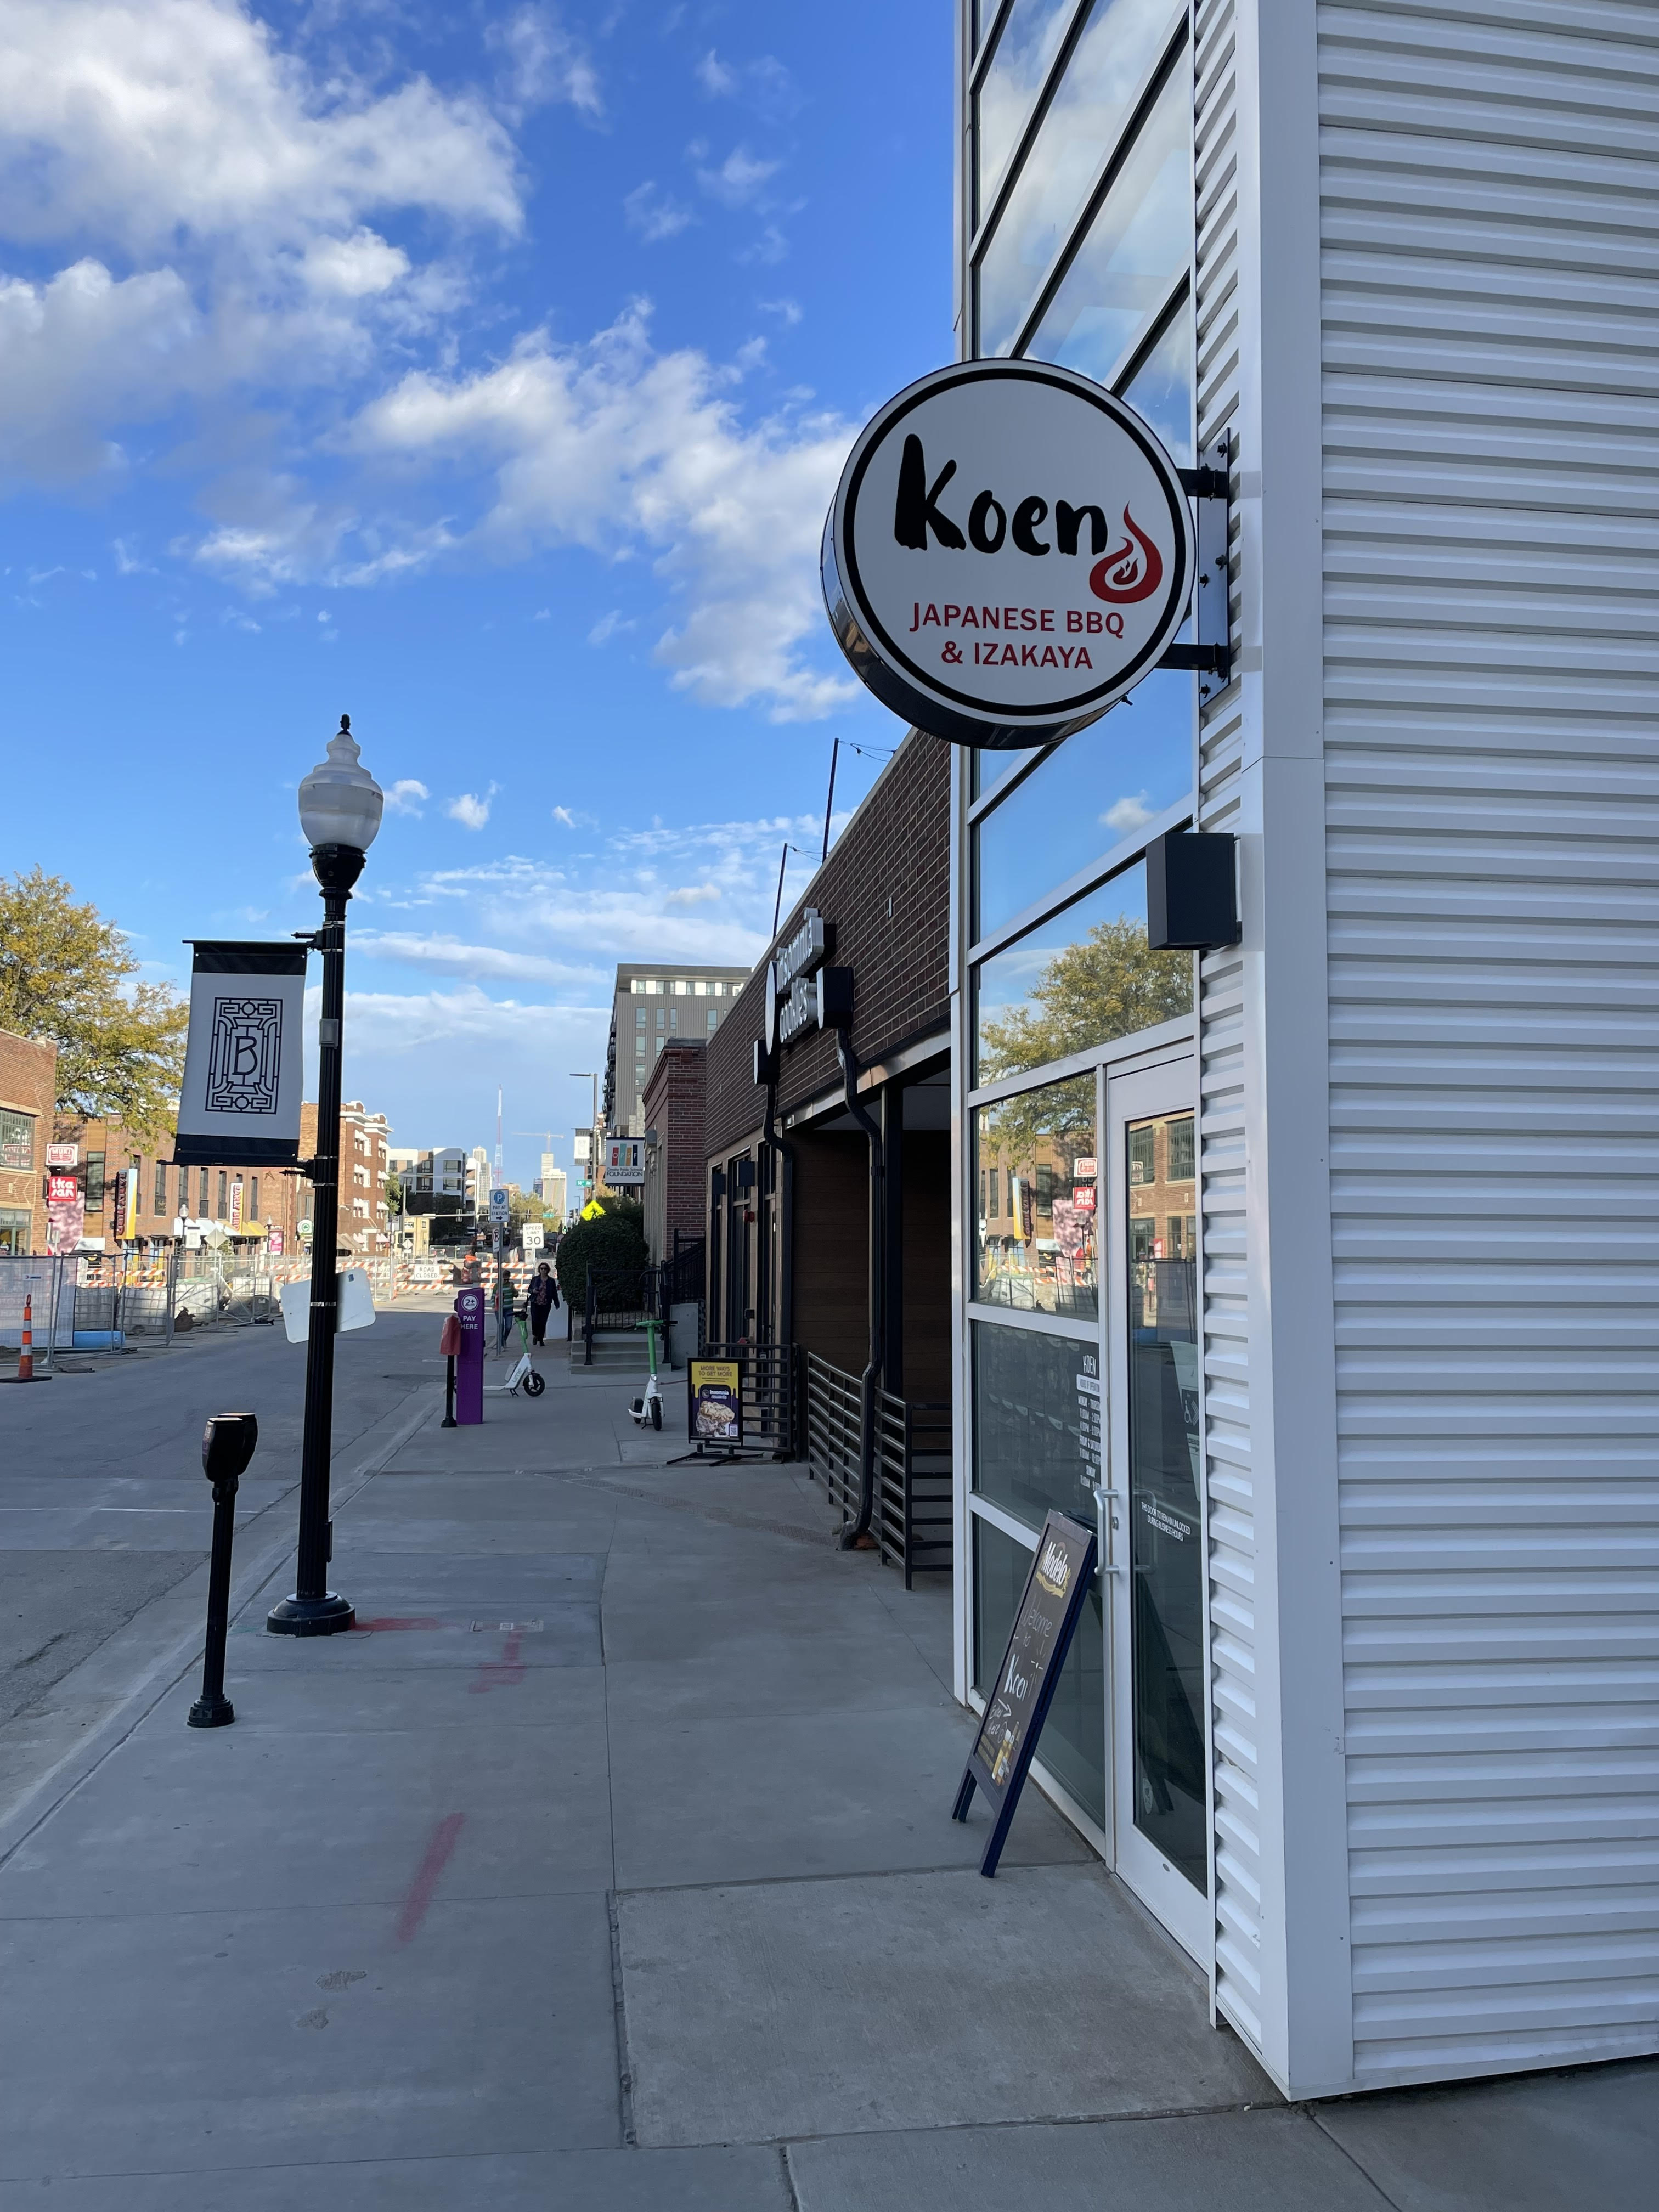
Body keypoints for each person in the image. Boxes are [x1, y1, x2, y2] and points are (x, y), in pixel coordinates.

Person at [528, 1261, 557, 1346]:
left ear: (547, 1270)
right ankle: (535, 1335)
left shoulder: (551, 1281)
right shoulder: (536, 1279)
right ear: (539, 1270)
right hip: (535, 1303)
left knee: (543, 1322)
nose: (543, 1270)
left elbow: (554, 1293)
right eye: (542, 1269)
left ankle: (541, 1339)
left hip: (546, 1304)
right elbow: (529, 1289)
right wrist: (533, 1291)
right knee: (535, 1320)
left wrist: (556, 1302)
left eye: (545, 1269)